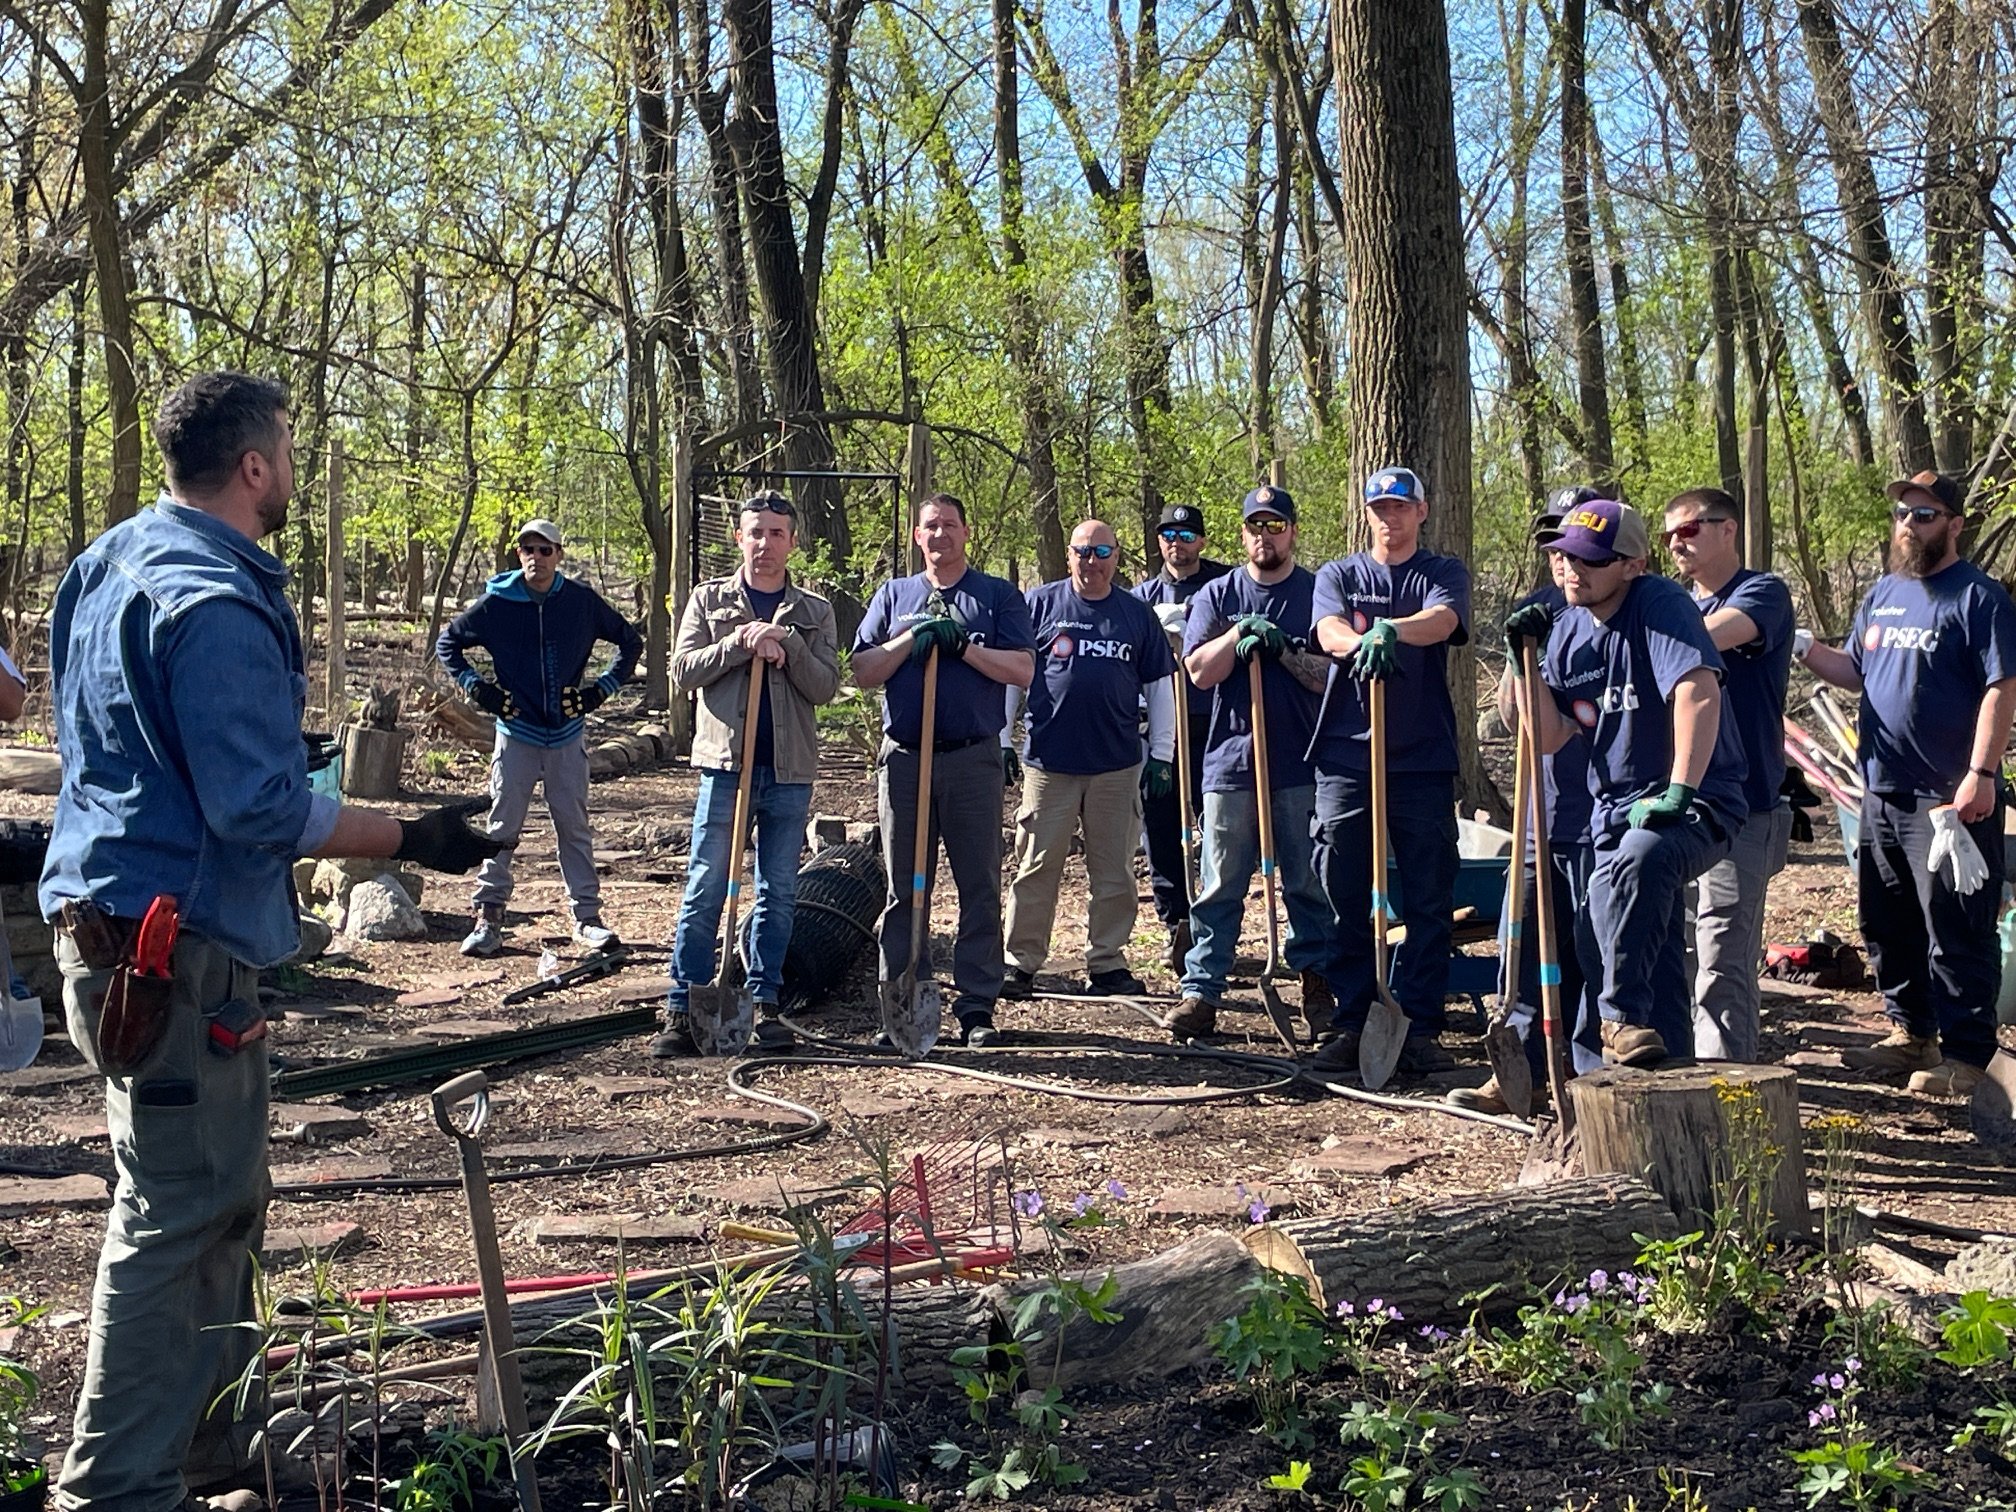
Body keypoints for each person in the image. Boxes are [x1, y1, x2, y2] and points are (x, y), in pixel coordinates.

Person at [38, 371, 502, 1512]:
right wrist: (411, 834)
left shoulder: (107, 565)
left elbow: (120, 740)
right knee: (173, 1216)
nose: (291, 467)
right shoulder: (217, 599)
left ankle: (212, 1457)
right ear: (255, 466)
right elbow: (253, 807)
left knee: (218, 1201)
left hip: (114, 936)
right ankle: (111, 1491)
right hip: (172, 954)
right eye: (287, 449)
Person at [1502, 498, 1748, 1066]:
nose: (1570, 570)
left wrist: (1680, 790)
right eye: (1562, 557)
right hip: (1609, 812)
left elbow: (1697, 690)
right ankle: (1649, 1073)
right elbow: (1549, 736)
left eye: (1588, 560)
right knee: (1608, 941)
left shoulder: (1659, 605)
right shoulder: (1564, 631)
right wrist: (1523, 663)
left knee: (1643, 861)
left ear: (1633, 565)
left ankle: (1619, 1022)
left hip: (1697, 800)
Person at [1802, 470, 2016, 1098]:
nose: (1908, 523)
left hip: (1949, 799)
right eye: (1901, 512)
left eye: (1924, 514)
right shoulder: (1884, 594)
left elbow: (2002, 688)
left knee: (1956, 925)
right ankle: (1910, 1032)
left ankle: (1968, 1057)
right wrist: (1804, 646)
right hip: (1880, 790)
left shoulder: (1979, 598)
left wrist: (1980, 775)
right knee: (1887, 921)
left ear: (1954, 524)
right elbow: (1856, 672)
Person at [656, 490, 841, 1055]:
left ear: (792, 541)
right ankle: (682, 1005)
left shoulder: (814, 611)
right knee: (707, 886)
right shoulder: (708, 600)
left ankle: (765, 1003)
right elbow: (683, 672)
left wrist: (788, 650)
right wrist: (739, 642)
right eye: (755, 532)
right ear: (738, 538)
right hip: (724, 768)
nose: (765, 543)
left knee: (778, 890)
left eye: (776, 533)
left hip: (788, 772)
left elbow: (826, 687)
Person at [853, 493, 1035, 1045]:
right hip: (906, 759)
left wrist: (964, 650)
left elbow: (1023, 669)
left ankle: (977, 1005)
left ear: (966, 533)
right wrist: (913, 639)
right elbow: (863, 668)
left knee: (979, 883)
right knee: (906, 886)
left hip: (971, 759)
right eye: (930, 526)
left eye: (950, 525)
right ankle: (904, 996)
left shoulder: (997, 597)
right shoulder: (895, 595)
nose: (940, 535)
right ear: (916, 536)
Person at [1308, 465, 1471, 1076]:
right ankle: (1352, 1019)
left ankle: (1421, 1025)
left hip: (1421, 757)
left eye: (1401, 507)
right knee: (1344, 890)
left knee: (1430, 894)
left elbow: (1444, 622)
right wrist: (1356, 641)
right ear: (1367, 512)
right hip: (1347, 754)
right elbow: (1327, 631)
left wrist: (1388, 630)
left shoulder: (1441, 573)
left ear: (1421, 512)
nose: (1389, 516)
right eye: (1380, 507)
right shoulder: (1340, 574)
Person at [1452, 487, 1607, 1114]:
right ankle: (1516, 1067)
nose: (1561, 554)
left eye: (1574, 537)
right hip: (1543, 812)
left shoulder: (1624, 615)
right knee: (1524, 946)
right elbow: (1510, 716)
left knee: (1594, 951)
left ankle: (1591, 1075)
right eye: (1552, 539)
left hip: (1604, 814)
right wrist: (1524, 660)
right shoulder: (1535, 610)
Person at [436, 517, 643, 956]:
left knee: (573, 826)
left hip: (567, 736)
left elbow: (630, 641)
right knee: (502, 826)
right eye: (529, 550)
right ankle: (489, 918)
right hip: (517, 734)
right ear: (519, 555)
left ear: (559, 555)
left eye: (545, 550)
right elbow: (448, 644)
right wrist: (482, 691)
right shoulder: (498, 603)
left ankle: (587, 918)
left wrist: (598, 692)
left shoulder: (581, 602)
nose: (537, 558)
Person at [1169, 484, 1333, 1038]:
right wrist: (1239, 632)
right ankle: (1203, 991)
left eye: (1275, 526)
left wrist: (1283, 649)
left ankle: (1317, 982)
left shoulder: (1318, 592)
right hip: (1230, 762)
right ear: (1242, 534)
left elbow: (1327, 677)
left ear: (1292, 531)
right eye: (1255, 527)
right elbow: (1198, 671)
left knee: (1308, 882)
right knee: (1219, 884)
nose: (1265, 537)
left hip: (1301, 763)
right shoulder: (1217, 595)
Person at [1002, 519, 1176, 1000]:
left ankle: (1107, 962)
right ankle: (1020, 961)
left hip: (1117, 764)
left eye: (1102, 552)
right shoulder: (1039, 605)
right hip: (1048, 762)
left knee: (1115, 870)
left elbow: (1160, 688)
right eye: (1083, 551)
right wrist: (1002, 740)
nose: (1092, 562)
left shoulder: (1137, 615)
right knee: (1035, 865)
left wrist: (1162, 753)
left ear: (1116, 557)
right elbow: (1014, 679)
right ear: (1070, 555)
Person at [1662, 487, 1795, 1062]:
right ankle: (1682, 1080)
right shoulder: (1669, 604)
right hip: (1678, 802)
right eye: (1668, 535)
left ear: (1727, 530)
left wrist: (1642, 618)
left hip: (1746, 808)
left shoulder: (1761, 594)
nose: (1676, 543)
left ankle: (1729, 1092)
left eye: (1688, 530)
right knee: (1679, 952)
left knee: (1723, 959)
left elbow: (1710, 635)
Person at [1131, 503, 1231, 972]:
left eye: (1188, 534)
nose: (1178, 541)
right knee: (1160, 823)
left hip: (1217, 724)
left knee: (1218, 825)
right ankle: (1175, 922)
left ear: (1202, 541)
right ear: (1159, 542)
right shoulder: (1139, 596)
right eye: (1169, 533)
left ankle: (1213, 915)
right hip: (1159, 730)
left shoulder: (1225, 586)